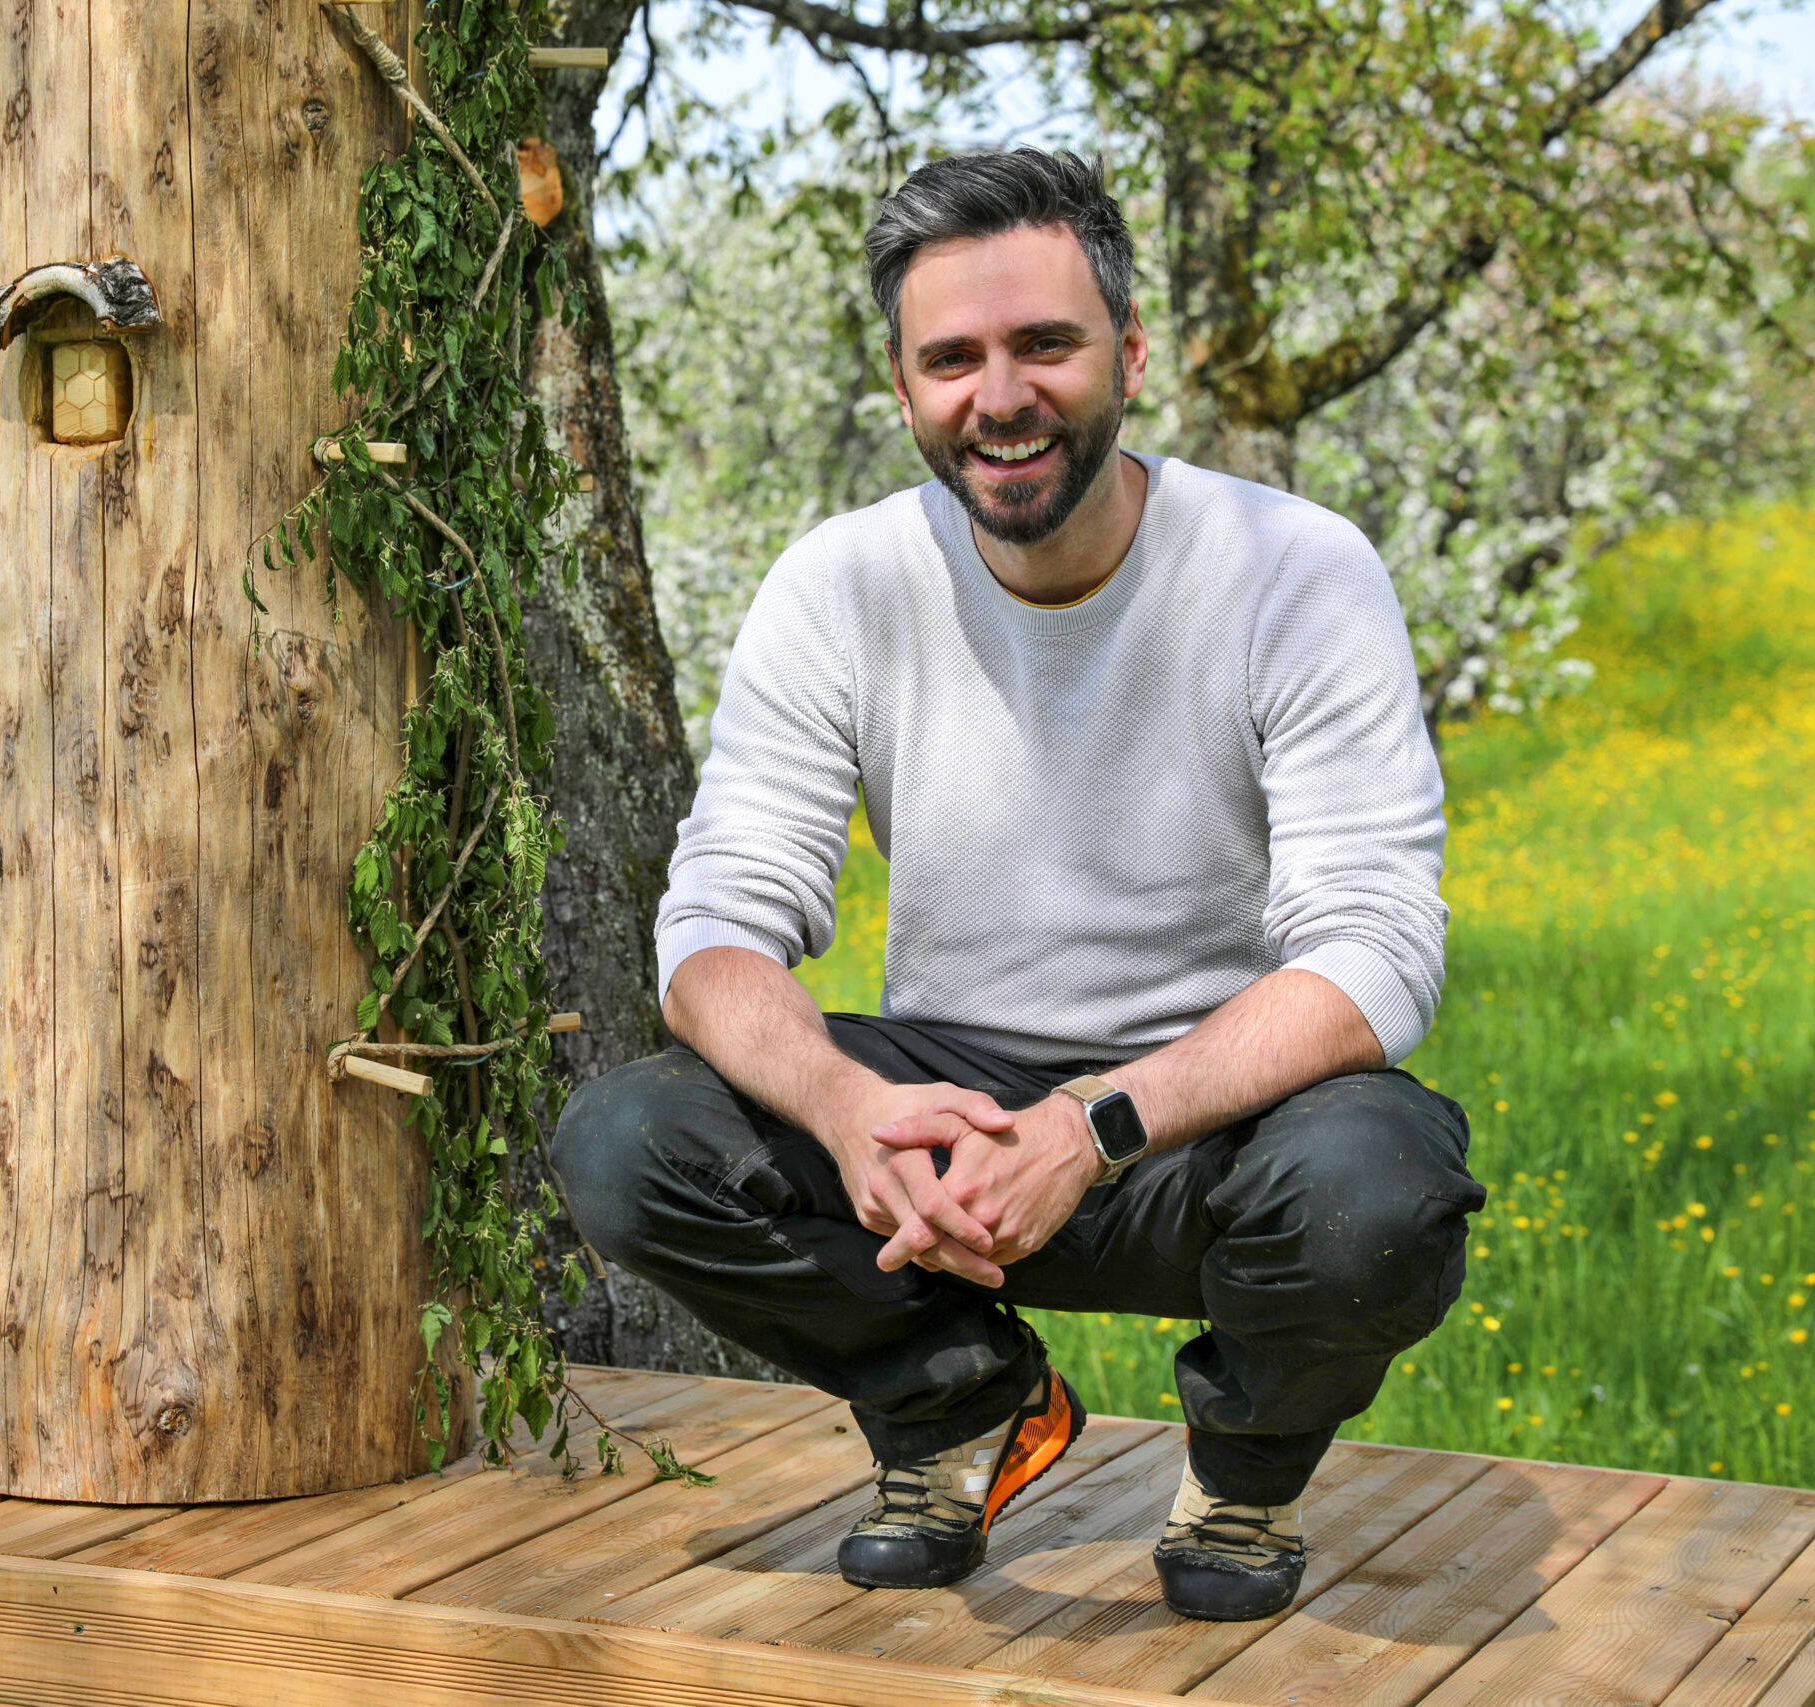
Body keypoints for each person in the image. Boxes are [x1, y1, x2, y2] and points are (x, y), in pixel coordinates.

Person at [551, 148, 1483, 1623]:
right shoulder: (839, 586)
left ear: (1131, 352)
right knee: (627, 1139)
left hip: (1201, 1128)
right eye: (953, 358)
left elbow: (1378, 955)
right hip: (945, 1127)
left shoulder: (1294, 570)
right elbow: (716, 926)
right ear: (905, 385)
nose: (1001, 396)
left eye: (1045, 344)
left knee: (1382, 1184)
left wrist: (1091, 1126)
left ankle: (1243, 1472)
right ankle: (957, 1407)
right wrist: (852, 1113)